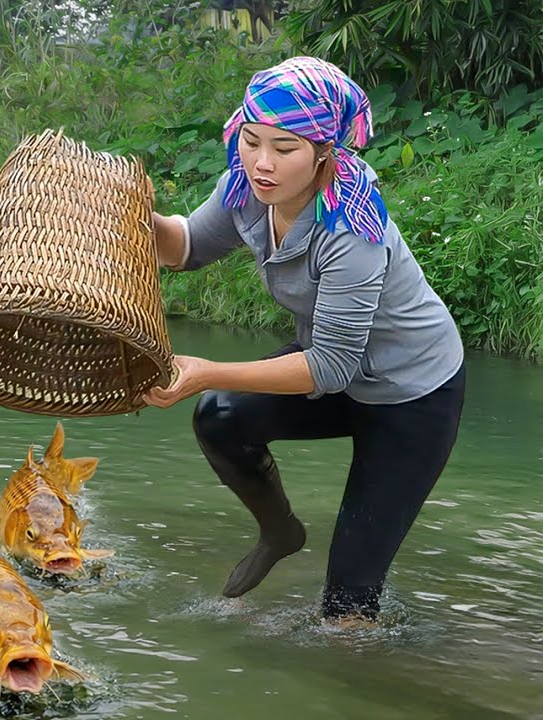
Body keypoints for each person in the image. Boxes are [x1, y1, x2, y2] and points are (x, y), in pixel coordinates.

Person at [141, 57, 466, 624]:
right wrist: (136, 214)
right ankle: (280, 532)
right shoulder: (246, 189)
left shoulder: (350, 230)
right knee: (220, 415)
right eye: (251, 141)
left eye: (284, 148)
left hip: (411, 394)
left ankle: (354, 661)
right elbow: (185, 246)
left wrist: (205, 370)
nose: (262, 163)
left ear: (323, 152)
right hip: (333, 364)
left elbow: (330, 369)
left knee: (348, 605)